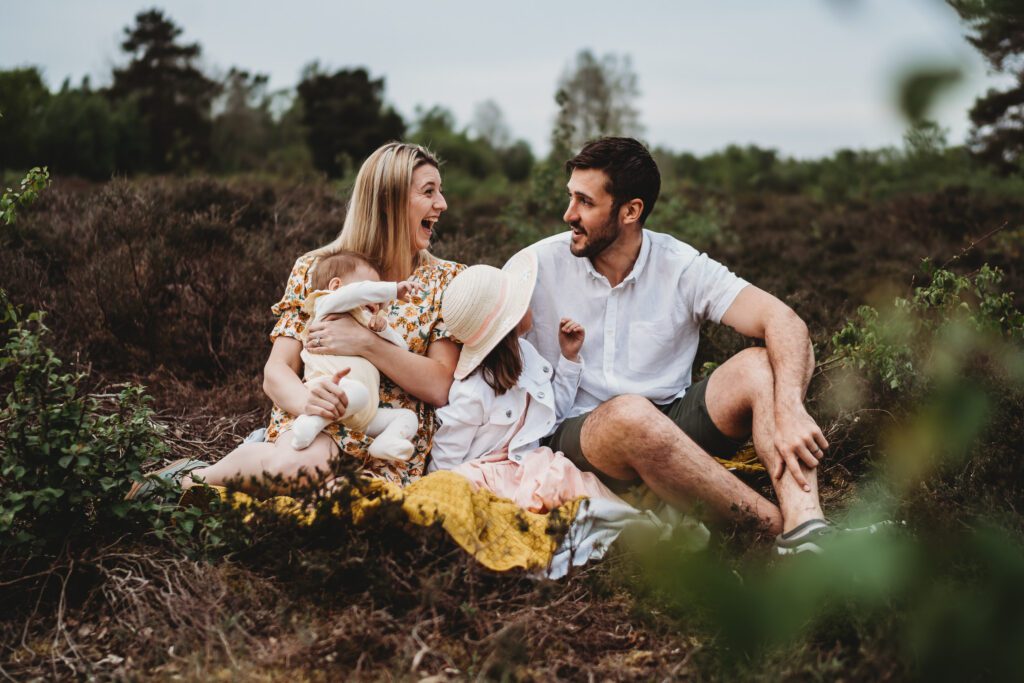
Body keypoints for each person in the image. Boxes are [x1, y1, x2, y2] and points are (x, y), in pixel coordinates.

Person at [524, 137, 835, 553]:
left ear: (631, 211)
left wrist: (790, 407)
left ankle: (807, 524)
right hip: (579, 435)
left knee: (760, 366)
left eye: (585, 202)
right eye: (571, 198)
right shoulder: (537, 265)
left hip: (672, 424)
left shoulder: (680, 265)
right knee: (630, 414)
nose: (569, 214)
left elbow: (783, 320)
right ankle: (774, 529)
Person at [127, 142, 463, 498]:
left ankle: (256, 459)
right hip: (316, 427)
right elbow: (276, 372)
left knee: (343, 508)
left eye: (440, 192)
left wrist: (365, 341)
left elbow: (440, 385)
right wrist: (311, 405)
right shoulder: (315, 269)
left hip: (387, 441)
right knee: (298, 473)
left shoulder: (447, 282)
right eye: (429, 192)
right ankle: (197, 476)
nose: (442, 204)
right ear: (388, 201)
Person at [429, 249, 622, 513]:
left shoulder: (527, 356)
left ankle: (650, 532)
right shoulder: (472, 390)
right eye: (522, 301)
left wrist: (569, 359)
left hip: (531, 469)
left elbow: (552, 415)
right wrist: (438, 501)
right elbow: (446, 454)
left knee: (581, 488)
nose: (529, 301)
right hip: (487, 480)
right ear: (510, 322)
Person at [288, 250, 419, 462]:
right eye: (372, 291)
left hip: (363, 413)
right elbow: (356, 293)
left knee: (407, 417)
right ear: (336, 286)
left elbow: (401, 350)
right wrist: (392, 289)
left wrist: (383, 332)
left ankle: (385, 443)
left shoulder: (368, 322)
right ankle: (310, 422)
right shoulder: (327, 304)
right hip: (328, 391)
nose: (376, 301)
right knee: (359, 391)